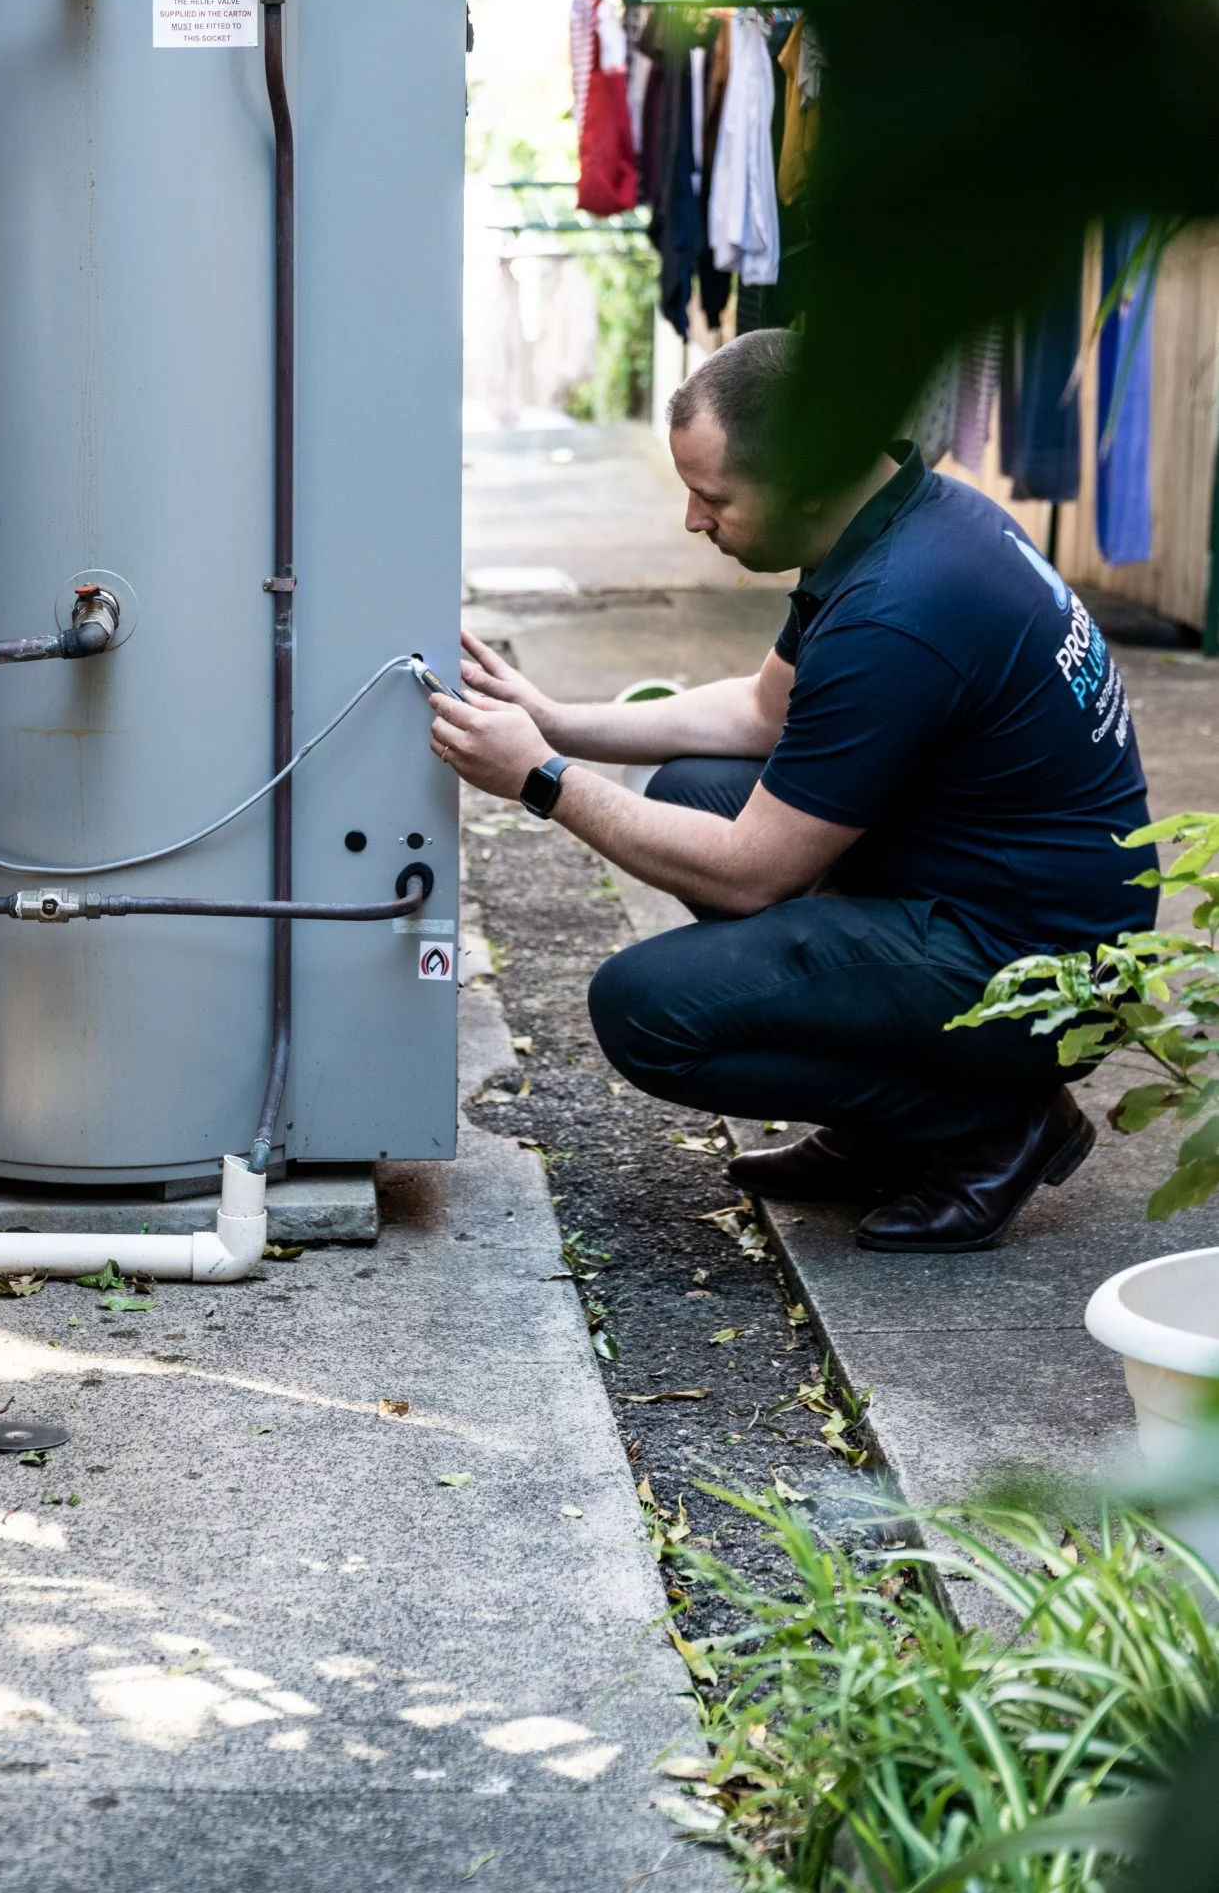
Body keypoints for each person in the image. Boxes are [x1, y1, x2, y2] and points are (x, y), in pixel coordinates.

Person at [431, 328, 1156, 1253]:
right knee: (694, 789)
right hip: (993, 896)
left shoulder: (901, 610)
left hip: (1035, 976)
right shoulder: (901, 516)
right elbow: (761, 713)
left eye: (710, 497)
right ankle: (886, 1128)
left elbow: (750, 876)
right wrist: (554, 719)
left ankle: (991, 1121)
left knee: (647, 1011)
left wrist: (538, 779)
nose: (692, 522)